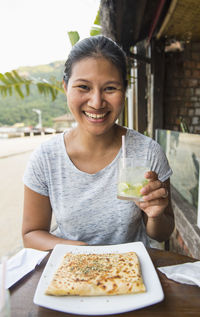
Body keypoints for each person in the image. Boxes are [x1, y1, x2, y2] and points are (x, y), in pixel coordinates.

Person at [22, 35, 174, 251]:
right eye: (84, 87)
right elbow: (31, 233)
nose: (96, 102)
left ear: (124, 90)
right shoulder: (46, 158)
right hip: (70, 273)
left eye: (110, 88)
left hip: (132, 273)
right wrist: (82, 252)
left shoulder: (147, 152)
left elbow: (163, 232)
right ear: (65, 87)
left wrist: (156, 215)